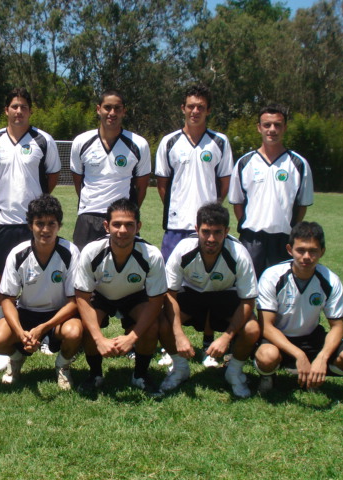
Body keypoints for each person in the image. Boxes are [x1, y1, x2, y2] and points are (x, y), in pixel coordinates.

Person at [155, 84, 234, 365]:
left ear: (208, 110)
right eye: (191, 106)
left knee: (212, 285)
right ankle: (169, 345)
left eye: (201, 106)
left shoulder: (220, 142)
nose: (195, 111)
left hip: (209, 228)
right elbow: (162, 184)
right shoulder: (169, 142)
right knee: (170, 287)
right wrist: (178, 210)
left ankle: (209, 343)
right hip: (177, 227)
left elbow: (224, 184)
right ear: (183, 109)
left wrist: (212, 213)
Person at [158, 203, 260, 398]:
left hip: (225, 298)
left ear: (227, 231)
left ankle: (234, 372)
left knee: (252, 328)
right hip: (193, 296)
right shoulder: (183, 249)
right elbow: (169, 294)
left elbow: (248, 301)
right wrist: (178, 334)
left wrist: (227, 337)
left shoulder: (239, 254)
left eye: (217, 232)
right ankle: (180, 368)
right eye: (206, 232)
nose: (211, 238)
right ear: (197, 230)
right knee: (161, 321)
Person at [0, 87, 61, 327]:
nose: (19, 111)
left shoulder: (43, 140)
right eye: (14, 107)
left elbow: (53, 176)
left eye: (23, 107)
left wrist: (38, 207)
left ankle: (41, 327)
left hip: (34, 224)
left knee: (39, 276)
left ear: (30, 111)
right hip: (3, 222)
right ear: (6, 110)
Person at [0, 194, 82, 390]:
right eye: (39, 223)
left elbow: (75, 301)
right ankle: (16, 359)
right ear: (30, 225)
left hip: (58, 315)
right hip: (27, 313)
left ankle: (63, 366)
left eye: (51, 224)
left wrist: (43, 327)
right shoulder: (18, 253)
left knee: (74, 332)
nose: (45, 230)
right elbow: (7, 299)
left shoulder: (70, 252)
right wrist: (21, 333)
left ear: (59, 225)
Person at [253, 222, 343, 392]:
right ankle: (268, 375)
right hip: (278, 339)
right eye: (300, 250)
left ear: (322, 252)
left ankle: (315, 374)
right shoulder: (272, 276)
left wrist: (322, 358)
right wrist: (299, 355)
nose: (306, 256)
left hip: (310, 337)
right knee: (267, 357)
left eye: (313, 251)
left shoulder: (330, 280)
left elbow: (338, 326)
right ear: (290, 249)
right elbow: (266, 326)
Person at [74, 198, 166, 394]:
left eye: (129, 225)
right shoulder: (91, 252)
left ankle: (140, 374)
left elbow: (156, 302)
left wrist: (132, 337)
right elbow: (81, 297)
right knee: (87, 326)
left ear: (138, 226)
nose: (122, 230)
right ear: (106, 226)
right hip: (102, 296)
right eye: (117, 224)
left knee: (152, 326)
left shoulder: (151, 255)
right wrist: (99, 338)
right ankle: (95, 374)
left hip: (134, 296)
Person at [228, 104, 314, 278]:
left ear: (285, 128)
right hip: (252, 239)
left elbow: (302, 205)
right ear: (259, 128)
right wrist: (249, 224)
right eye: (267, 125)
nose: (272, 130)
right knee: (248, 289)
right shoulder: (245, 163)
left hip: (283, 239)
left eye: (277, 125)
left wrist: (289, 228)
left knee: (280, 289)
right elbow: (237, 202)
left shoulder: (299, 164)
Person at [70, 90, 151, 250]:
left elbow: (141, 186)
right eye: (107, 107)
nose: (112, 113)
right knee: (83, 269)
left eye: (117, 108)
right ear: (98, 109)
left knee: (121, 269)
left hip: (121, 218)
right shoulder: (81, 142)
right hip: (88, 217)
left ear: (124, 111)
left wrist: (127, 211)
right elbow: (78, 181)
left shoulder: (139, 144)